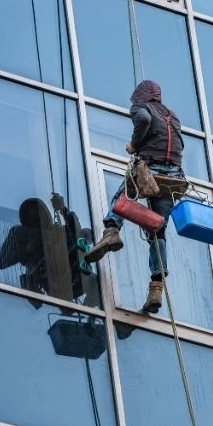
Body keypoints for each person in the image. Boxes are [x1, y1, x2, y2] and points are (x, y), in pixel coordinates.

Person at [85, 80, 186, 314]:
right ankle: (156, 289)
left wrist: (134, 144)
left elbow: (144, 120)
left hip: (150, 169)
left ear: (141, 95)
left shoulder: (141, 108)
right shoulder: (173, 116)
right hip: (173, 176)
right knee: (158, 230)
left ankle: (111, 232)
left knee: (122, 197)